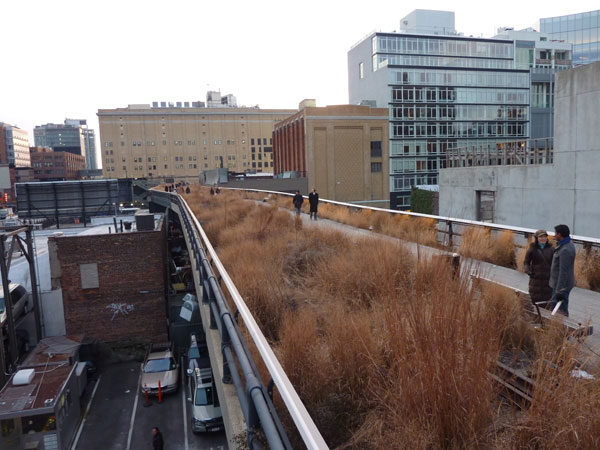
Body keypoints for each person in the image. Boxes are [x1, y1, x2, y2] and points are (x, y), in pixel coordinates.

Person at [549, 224, 576, 317]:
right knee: (559, 308)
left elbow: (563, 271)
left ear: (560, 235)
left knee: (559, 309)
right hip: (560, 284)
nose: (554, 235)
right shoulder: (566, 245)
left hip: (561, 286)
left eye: (555, 233)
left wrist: (560, 290)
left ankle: (561, 329)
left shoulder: (565, 249)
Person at [524, 230, 555, 308]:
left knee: (547, 301)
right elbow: (526, 262)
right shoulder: (532, 249)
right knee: (534, 298)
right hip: (535, 279)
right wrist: (528, 271)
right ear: (536, 238)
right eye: (541, 237)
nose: (543, 238)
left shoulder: (551, 249)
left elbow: (555, 264)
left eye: (545, 237)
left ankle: (545, 318)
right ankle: (536, 318)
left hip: (547, 279)